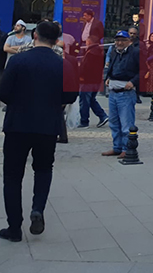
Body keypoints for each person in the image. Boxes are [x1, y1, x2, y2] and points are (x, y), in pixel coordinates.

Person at [0, 21, 78, 242]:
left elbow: (3, 92)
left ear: (35, 35)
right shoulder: (64, 64)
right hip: (47, 126)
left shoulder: (18, 61)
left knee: (13, 176)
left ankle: (14, 227)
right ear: (56, 39)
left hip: (18, 125)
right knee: (43, 169)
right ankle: (38, 209)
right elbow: (71, 96)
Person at [103, 30, 139, 159]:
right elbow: (111, 67)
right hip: (113, 91)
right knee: (114, 122)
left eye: (122, 40)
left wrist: (133, 82)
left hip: (126, 92)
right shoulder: (114, 52)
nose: (119, 43)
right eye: (117, 40)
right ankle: (117, 147)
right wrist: (108, 77)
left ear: (128, 41)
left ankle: (126, 148)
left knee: (126, 123)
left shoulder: (135, 52)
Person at [78, 35, 109, 128]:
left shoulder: (90, 53)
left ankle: (84, 121)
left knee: (84, 101)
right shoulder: (99, 52)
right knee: (91, 100)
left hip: (87, 81)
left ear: (90, 42)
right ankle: (102, 115)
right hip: (96, 80)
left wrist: (80, 74)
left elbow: (85, 68)